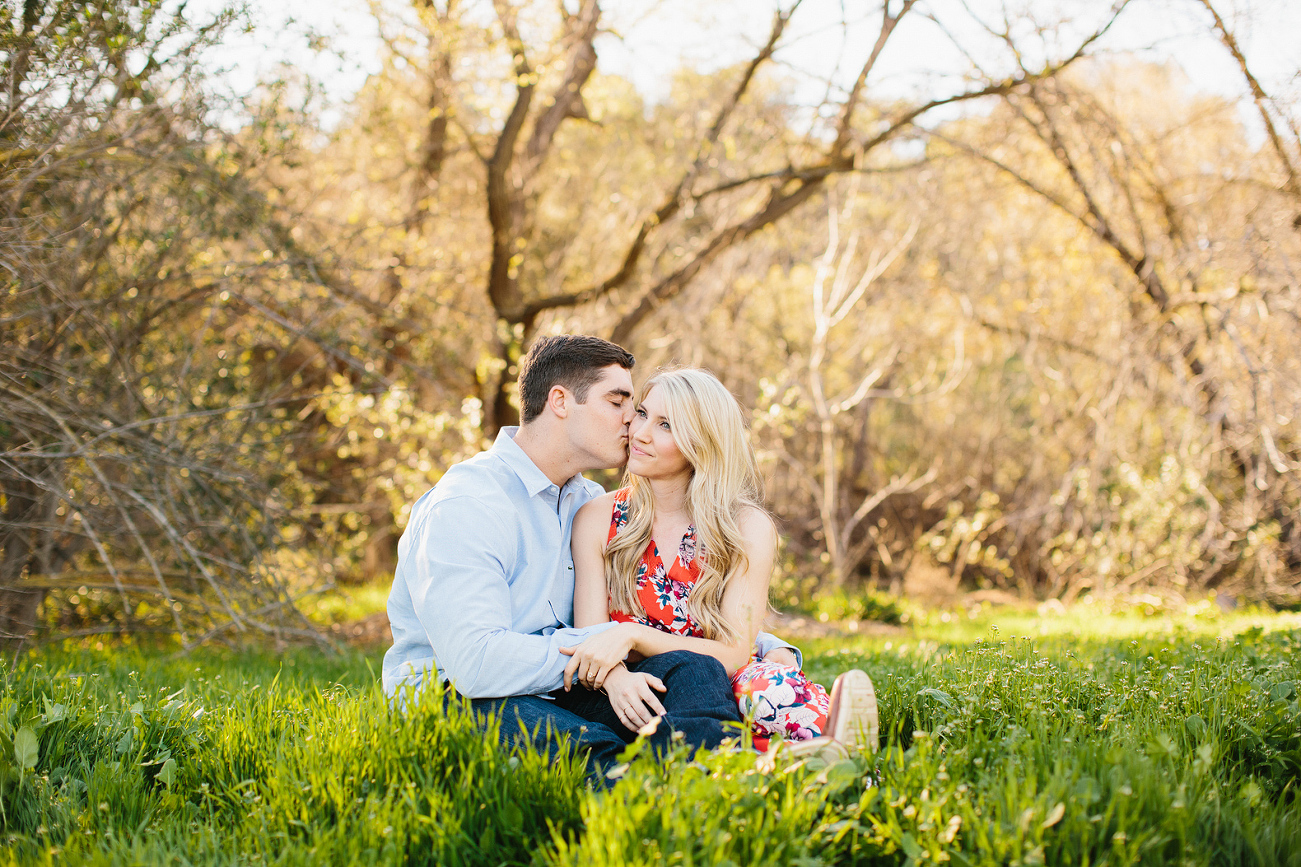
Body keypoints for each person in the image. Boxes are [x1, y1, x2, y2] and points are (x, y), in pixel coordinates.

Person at [382, 335, 801, 781]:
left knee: (691, 671)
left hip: (569, 685)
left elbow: (653, 607)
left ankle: (714, 773)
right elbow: (477, 664)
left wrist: (761, 647)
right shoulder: (467, 505)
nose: (632, 423)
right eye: (620, 402)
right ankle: (651, 786)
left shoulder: (587, 502)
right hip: (466, 695)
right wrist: (608, 664)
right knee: (575, 742)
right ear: (560, 401)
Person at [562, 368, 879, 758]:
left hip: (720, 675)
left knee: (767, 687)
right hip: (637, 684)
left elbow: (733, 654)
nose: (640, 432)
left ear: (702, 443)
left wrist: (634, 636)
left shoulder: (744, 527)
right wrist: (618, 673)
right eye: (642, 414)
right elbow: (593, 643)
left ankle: (840, 749)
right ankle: (778, 764)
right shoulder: (597, 517)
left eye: (666, 425)